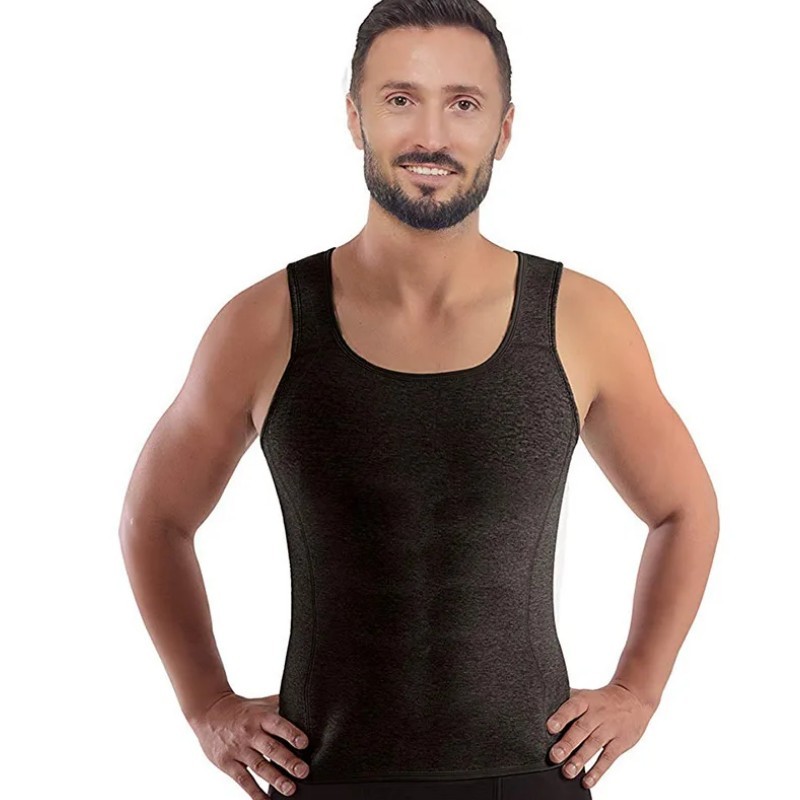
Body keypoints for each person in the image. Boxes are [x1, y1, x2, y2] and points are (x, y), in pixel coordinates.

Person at [118, 1, 720, 798]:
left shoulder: (583, 319)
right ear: (355, 117)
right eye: (400, 99)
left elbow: (684, 510)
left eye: (463, 104)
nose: (431, 135)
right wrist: (207, 705)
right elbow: (155, 519)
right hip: (323, 777)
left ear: (504, 128)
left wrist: (638, 690)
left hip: (529, 776)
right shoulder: (263, 324)